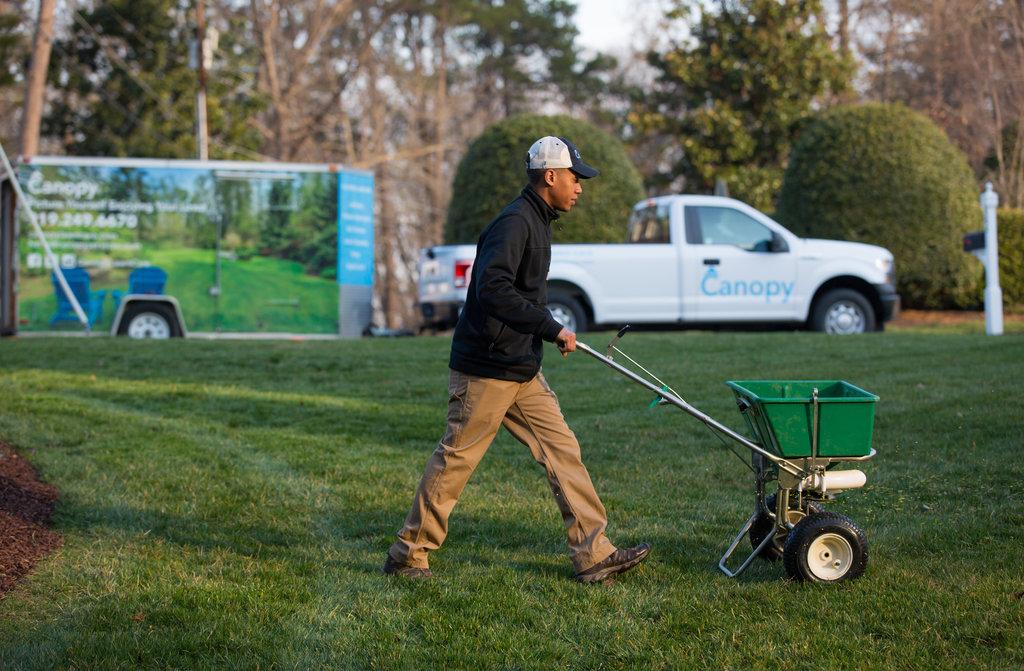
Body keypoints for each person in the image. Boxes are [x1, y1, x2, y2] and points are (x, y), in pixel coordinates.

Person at [384, 136, 650, 583]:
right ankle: (407, 554)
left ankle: (593, 554)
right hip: (486, 369)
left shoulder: (537, 220)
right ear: (550, 177)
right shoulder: (514, 224)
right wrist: (552, 328)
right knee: (455, 461)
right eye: (574, 177)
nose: (580, 187)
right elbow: (493, 290)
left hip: (520, 368)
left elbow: (522, 296)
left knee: (563, 450)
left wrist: (547, 330)